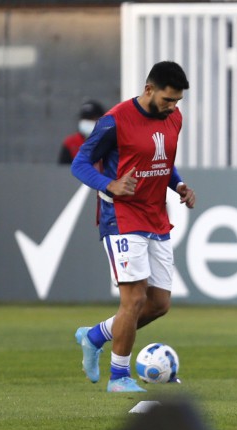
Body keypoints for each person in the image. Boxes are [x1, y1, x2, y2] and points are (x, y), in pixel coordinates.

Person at [70, 61, 195, 393]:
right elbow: (80, 163)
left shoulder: (174, 118)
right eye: (168, 100)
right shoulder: (115, 121)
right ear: (149, 89)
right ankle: (119, 377)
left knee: (160, 303)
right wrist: (109, 185)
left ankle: (95, 336)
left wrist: (179, 185)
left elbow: (162, 162)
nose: (173, 108)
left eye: (178, 102)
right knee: (134, 299)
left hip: (155, 215)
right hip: (122, 217)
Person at [58, 99, 106, 165]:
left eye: (92, 118)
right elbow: (62, 169)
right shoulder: (71, 143)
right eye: (85, 118)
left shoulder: (110, 142)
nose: (87, 122)